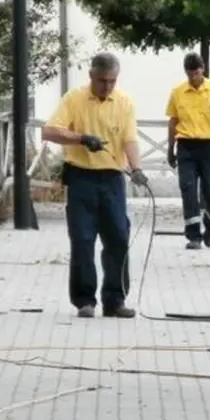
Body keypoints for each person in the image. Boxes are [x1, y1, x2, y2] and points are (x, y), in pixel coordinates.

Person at [41, 52, 148, 318]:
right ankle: (84, 300)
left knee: (118, 237)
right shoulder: (74, 99)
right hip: (81, 178)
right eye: (102, 81)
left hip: (112, 180)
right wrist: (81, 138)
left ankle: (115, 300)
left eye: (112, 81)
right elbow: (49, 131)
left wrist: (136, 168)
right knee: (82, 238)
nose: (107, 86)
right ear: (91, 76)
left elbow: (130, 139)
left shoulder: (124, 102)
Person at [165, 52, 210, 250]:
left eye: (196, 73)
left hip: (209, 146)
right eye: (190, 74)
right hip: (186, 146)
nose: (193, 78)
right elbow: (173, 121)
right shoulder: (177, 92)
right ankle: (193, 236)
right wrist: (170, 148)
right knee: (188, 189)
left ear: (203, 70)